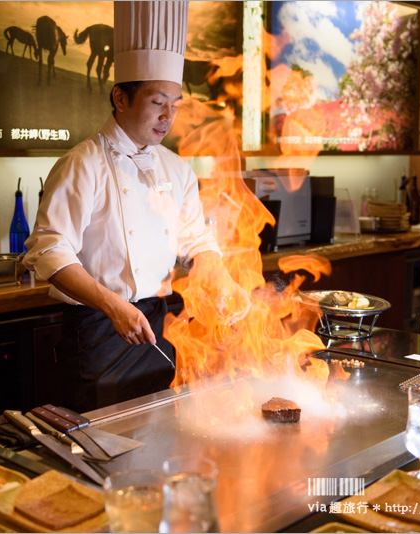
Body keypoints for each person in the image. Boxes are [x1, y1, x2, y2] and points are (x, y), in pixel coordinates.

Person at [23, 1, 249, 412]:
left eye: (175, 104)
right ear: (121, 98)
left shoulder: (176, 168)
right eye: (157, 102)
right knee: (101, 454)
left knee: (159, 444)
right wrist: (114, 306)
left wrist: (224, 282)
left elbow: (196, 240)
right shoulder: (82, 163)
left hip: (156, 327)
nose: (168, 117)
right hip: (98, 332)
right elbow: (49, 252)